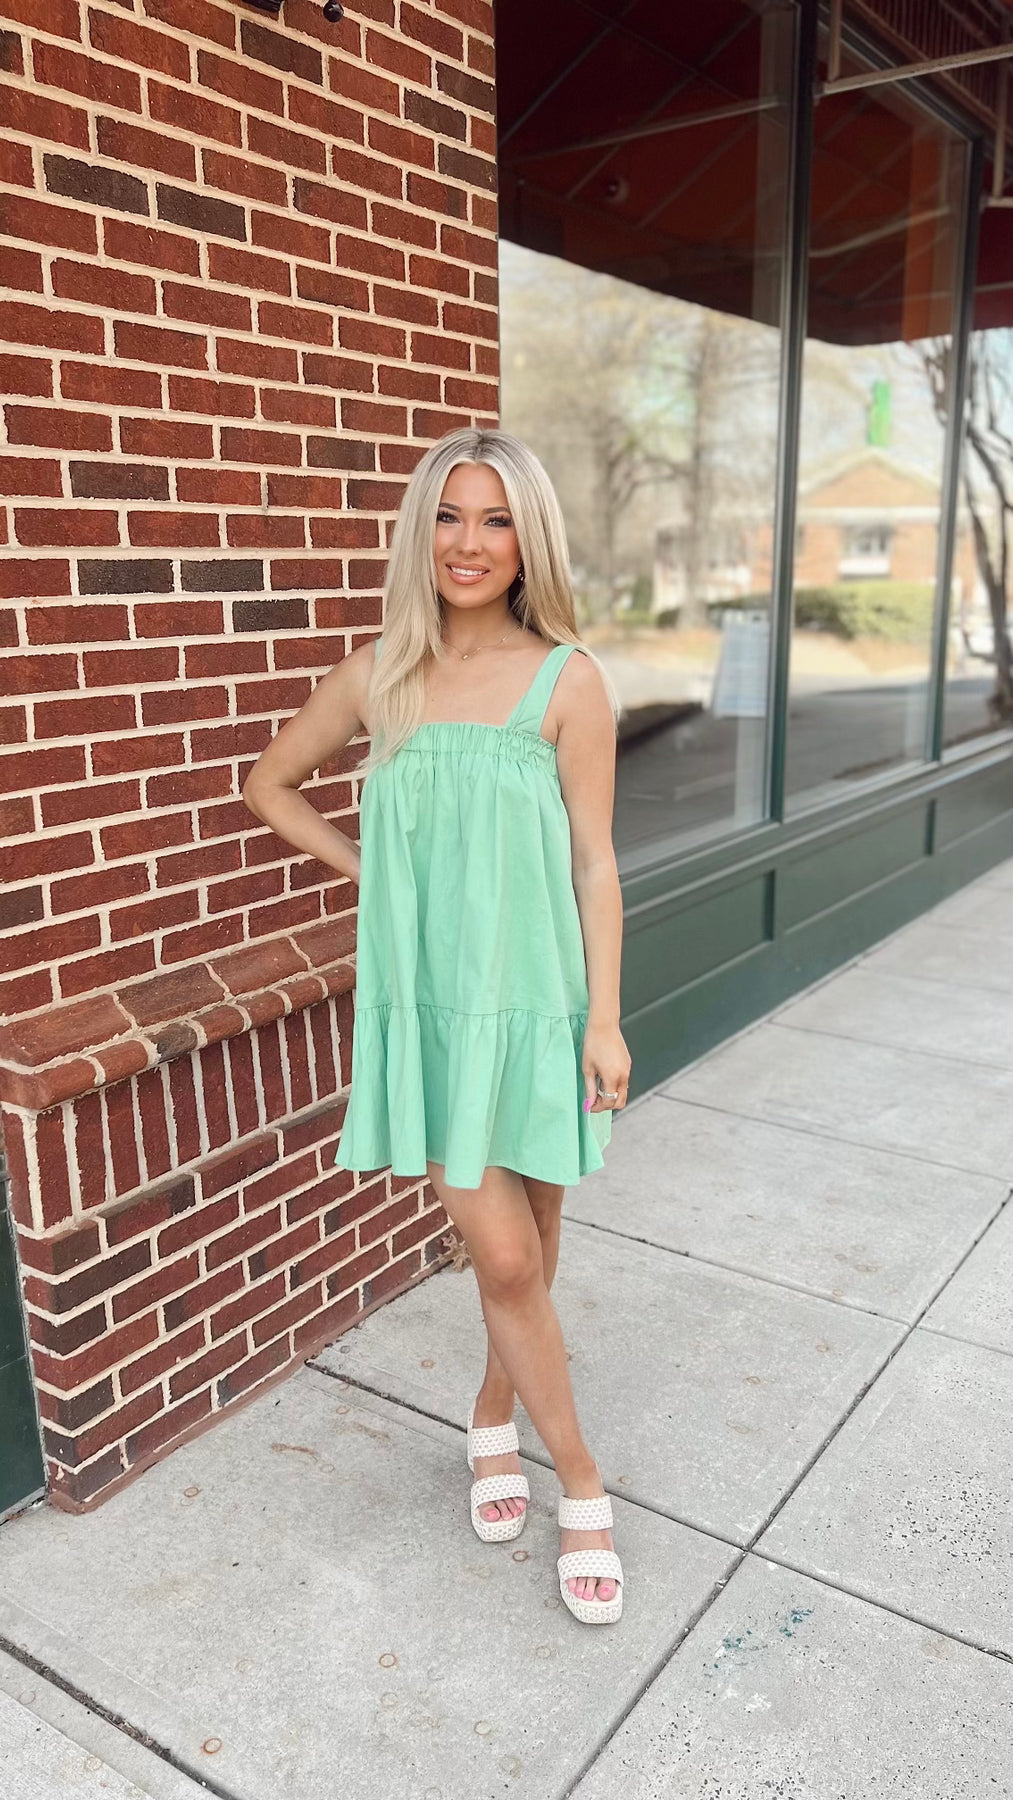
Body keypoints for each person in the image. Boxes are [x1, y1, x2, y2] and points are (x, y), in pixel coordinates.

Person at [242, 426, 632, 1626]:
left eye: (495, 519)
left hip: (542, 1004)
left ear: (527, 540)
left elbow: (594, 861)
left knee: (537, 1240)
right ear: (422, 533)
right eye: (449, 517)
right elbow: (268, 783)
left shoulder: (567, 680)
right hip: (434, 1014)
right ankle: (582, 1485)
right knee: (504, 1257)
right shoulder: (380, 677)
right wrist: (371, 874)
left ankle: (491, 1413)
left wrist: (605, 1021)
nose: (469, 543)